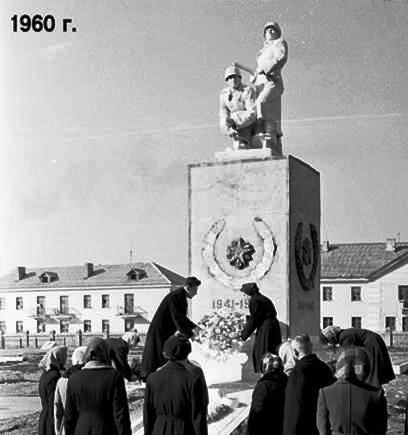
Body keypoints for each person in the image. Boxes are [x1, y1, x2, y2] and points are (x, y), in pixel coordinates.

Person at [64, 337, 131, 435]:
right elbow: (121, 415)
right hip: (107, 430)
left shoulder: (74, 378)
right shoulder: (114, 377)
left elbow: (69, 416)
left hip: (81, 429)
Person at [143, 335, 208, 435]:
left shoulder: (152, 378)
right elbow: (198, 416)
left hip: (159, 429)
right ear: (187, 353)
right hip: (184, 429)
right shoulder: (193, 379)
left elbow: (148, 414)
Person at [317, 346, 388, 435]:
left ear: (340, 366)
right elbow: (381, 429)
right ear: (366, 367)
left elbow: (323, 429)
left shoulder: (325, 393)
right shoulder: (376, 395)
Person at [141, 276, 201, 379]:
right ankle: (152, 378)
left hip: (164, 331)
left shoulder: (180, 296)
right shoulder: (177, 296)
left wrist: (195, 327)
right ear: (188, 287)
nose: (196, 293)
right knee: (158, 355)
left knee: (161, 354)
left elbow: (182, 318)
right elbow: (177, 318)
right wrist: (189, 334)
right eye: (195, 289)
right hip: (160, 331)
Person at [283, 334, 335, 435]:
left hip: (305, 428)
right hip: (322, 426)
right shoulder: (325, 368)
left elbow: (294, 409)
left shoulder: (298, 372)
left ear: (295, 352)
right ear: (311, 347)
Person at [252, 22, 288, 153]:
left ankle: (269, 135)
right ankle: (263, 136)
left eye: (273, 30)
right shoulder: (262, 52)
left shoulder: (279, 43)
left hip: (272, 81)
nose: (270, 32)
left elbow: (281, 58)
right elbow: (259, 68)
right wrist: (255, 75)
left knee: (262, 103)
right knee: (259, 108)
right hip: (260, 83)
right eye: (268, 31)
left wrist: (267, 70)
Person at [321, 326, 395, 388]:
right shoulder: (344, 334)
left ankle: (374, 384)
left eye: (328, 341)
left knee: (373, 364)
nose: (329, 343)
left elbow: (349, 354)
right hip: (374, 340)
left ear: (332, 337)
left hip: (371, 343)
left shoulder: (344, 337)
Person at [239, 282, 282, 373]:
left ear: (249, 293)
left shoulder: (254, 300)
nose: (244, 297)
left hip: (266, 329)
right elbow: (260, 314)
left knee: (264, 351)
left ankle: (266, 372)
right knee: (271, 350)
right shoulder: (262, 298)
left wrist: (243, 334)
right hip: (271, 327)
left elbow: (255, 319)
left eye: (244, 294)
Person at [247, 353, 287, 435]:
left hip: (267, 429)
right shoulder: (288, 382)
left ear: (265, 367)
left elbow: (256, 413)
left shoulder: (263, 385)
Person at [219, 64, 256, 150]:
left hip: (246, 123)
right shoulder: (224, 94)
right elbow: (223, 112)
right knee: (238, 146)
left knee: (242, 146)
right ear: (227, 80)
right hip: (232, 126)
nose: (233, 80)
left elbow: (252, 112)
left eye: (235, 77)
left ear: (240, 78)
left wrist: (235, 122)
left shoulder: (247, 90)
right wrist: (227, 127)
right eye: (230, 78)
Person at [54, 346, 87, 435]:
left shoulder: (62, 380)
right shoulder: (90, 379)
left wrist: (58, 430)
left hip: (67, 426)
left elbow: (58, 407)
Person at [38, 345, 68, 435]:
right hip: (50, 420)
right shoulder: (54, 376)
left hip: (44, 417)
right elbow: (53, 401)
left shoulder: (45, 374)